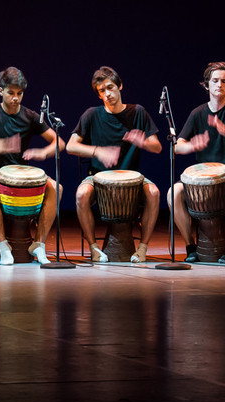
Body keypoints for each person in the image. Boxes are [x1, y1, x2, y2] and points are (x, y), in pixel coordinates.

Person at [0, 67, 65, 265]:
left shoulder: (31, 116)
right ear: (1, 91)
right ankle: (3, 245)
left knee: (55, 188)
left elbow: (60, 142)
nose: (16, 98)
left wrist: (43, 152)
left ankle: (39, 244)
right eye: (11, 93)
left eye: (19, 93)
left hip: (22, 176)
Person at [66, 66, 162, 263]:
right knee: (81, 194)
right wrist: (97, 151)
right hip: (97, 177)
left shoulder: (138, 112)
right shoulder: (91, 114)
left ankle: (142, 249)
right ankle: (94, 248)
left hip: (131, 177)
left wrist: (142, 141)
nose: (107, 94)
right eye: (102, 91)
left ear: (120, 86)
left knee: (154, 192)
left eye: (110, 87)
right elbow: (70, 146)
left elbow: (158, 147)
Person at [167, 61, 225, 263]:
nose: (219, 85)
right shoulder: (198, 113)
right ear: (206, 84)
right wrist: (192, 146)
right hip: (204, 177)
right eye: (215, 81)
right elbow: (177, 146)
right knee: (173, 193)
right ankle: (190, 246)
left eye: (224, 81)